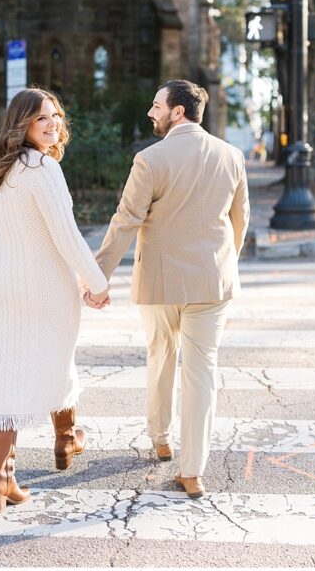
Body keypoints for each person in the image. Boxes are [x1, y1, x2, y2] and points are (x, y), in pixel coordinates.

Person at [94, 80, 249, 500]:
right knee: (202, 373)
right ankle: (192, 471)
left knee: (161, 354)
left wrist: (98, 275)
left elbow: (126, 219)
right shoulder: (231, 156)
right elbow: (240, 223)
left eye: (157, 105)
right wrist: (221, 263)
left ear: (177, 112)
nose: (151, 111)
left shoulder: (150, 159)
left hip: (160, 281)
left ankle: (160, 437)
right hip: (212, 282)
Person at [0, 88, 111, 514]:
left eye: (55, 116)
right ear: (23, 125)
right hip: (47, 284)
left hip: (4, 284)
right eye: (41, 119)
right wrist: (97, 281)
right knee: (57, 360)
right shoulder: (43, 168)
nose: (53, 124)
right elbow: (65, 235)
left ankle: (1, 476)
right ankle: (65, 439)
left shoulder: (2, 169)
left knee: (6, 374)